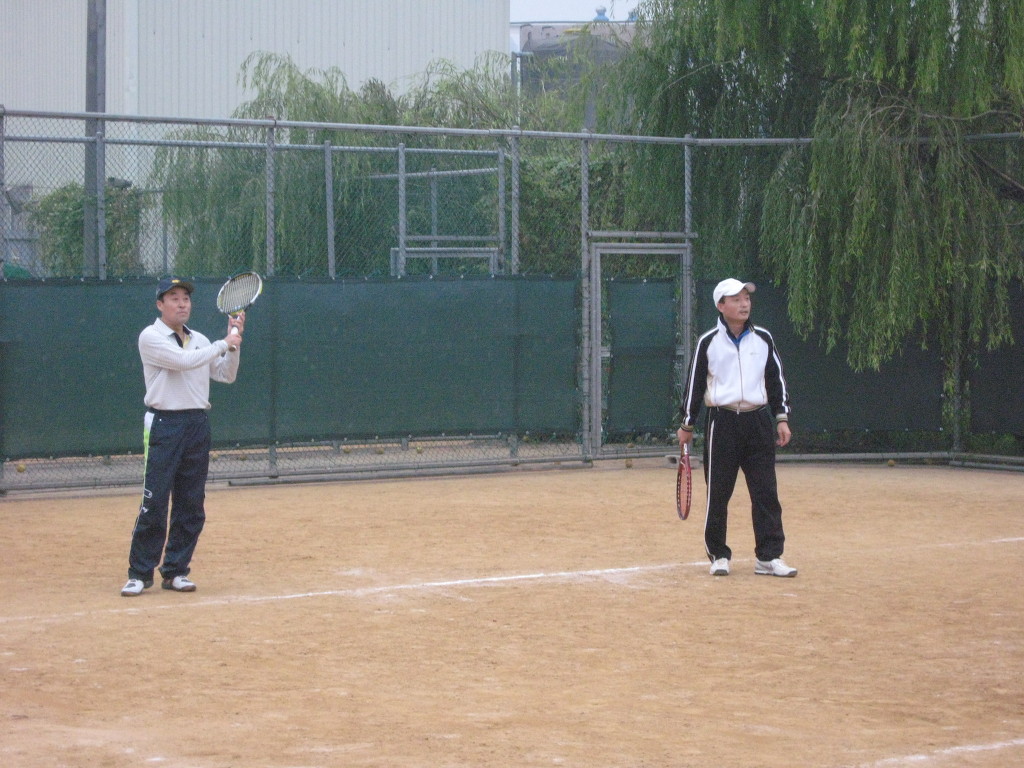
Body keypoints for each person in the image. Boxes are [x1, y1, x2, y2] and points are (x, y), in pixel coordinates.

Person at [121, 277, 245, 596]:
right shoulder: (150, 337)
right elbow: (182, 362)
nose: (181, 303)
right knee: (155, 503)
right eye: (173, 298)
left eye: (186, 298)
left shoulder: (200, 339)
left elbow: (226, 374)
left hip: (196, 425)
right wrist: (224, 342)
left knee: (191, 504)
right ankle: (139, 573)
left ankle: (176, 570)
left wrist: (234, 345)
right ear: (160, 304)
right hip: (164, 424)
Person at [676, 278, 797, 578]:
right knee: (719, 493)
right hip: (722, 423)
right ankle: (718, 555)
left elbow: (776, 380)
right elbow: (694, 385)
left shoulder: (763, 338)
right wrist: (687, 423)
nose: (744, 304)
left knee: (766, 492)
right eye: (736, 299)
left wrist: (781, 417)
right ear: (721, 306)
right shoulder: (708, 342)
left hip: (758, 422)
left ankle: (769, 557)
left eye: (747, 298)